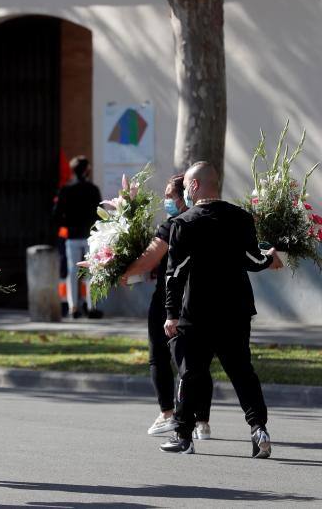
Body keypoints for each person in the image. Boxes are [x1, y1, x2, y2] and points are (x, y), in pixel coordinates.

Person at [159, 162, 283, 457]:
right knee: (242, 372)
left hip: (197, 312)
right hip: (236, 310)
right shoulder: (240, 217)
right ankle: (259, 429)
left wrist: (171, 313)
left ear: (193, 186)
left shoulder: (184, 223)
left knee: (191, 374)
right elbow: (252, 259)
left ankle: (183, 436)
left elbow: (174, 274)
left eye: (187, 186)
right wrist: (270, 257)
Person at [121, 174, 213, 438]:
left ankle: (168, 414)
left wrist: (120, 270)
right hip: (201, 300)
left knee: (160, 356)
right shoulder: (206, 222)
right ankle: (202, 422)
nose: (167, 201)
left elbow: (149, 260)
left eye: (170, 196)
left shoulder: (173, 226)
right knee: (198, 362)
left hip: (169, 301)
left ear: (182, 195)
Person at [54, 155, 103, 319]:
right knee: (91, 270)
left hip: (72, 236)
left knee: (72, 271)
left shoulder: (66, 190)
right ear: (87, 170)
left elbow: (56, 214)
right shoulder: (93, 189)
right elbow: (100, 213)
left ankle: (73, 307)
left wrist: (66, 224)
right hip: (90, 236)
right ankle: (91, 306)